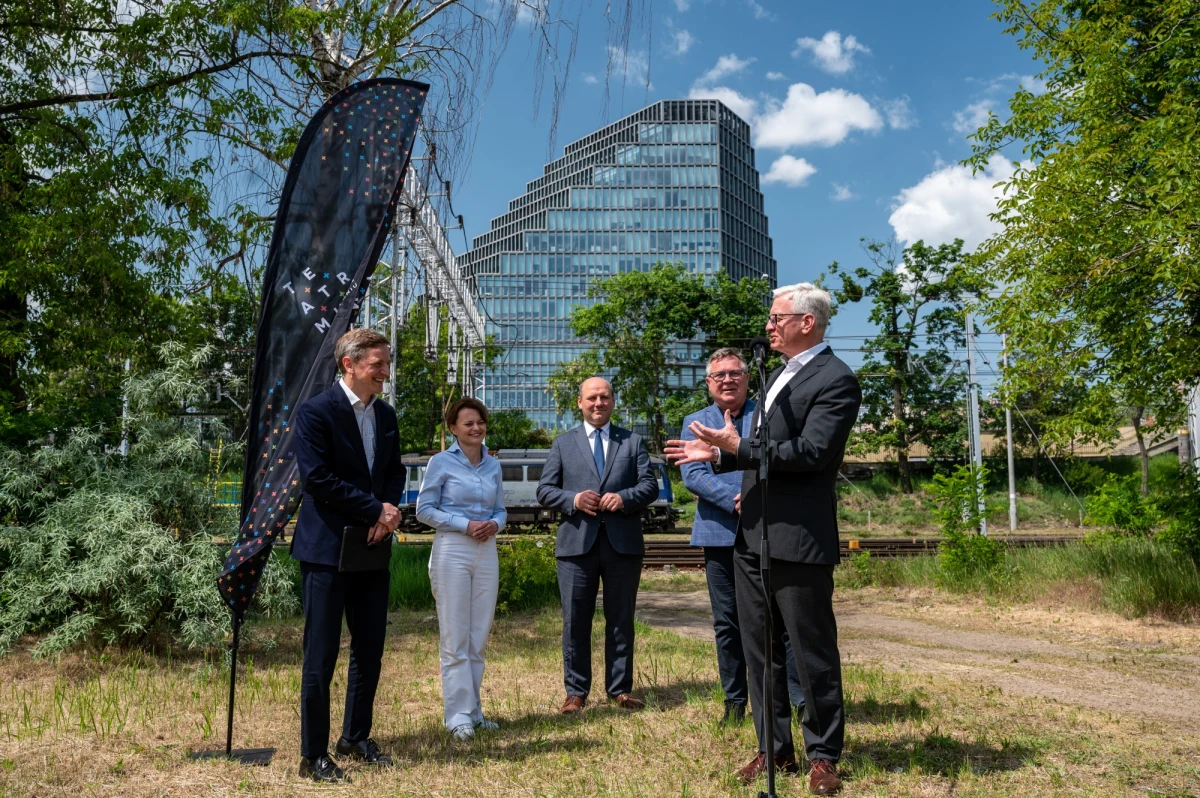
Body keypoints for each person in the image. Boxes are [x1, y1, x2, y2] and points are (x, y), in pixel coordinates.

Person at [666, 283, 861, 796]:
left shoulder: (836, 379)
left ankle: (822, 755)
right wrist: (721, 456)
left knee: (810, 650)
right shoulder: (778, 376)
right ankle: (773, 748)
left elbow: (813, 451)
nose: (769, 325)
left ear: (808, 322)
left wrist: (736, 447)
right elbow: (762, 452)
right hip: (751, 538)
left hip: (798, 536)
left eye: (778, 318)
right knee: (760, 651)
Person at [292, 328, 404, 783]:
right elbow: (316, 479)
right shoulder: (315, 412)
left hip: (373, 545)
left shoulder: (387, 415)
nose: (384, 372)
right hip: (325, 550)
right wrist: (374, 508)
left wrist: (388, 513)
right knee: (320, 655)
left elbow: (393, 471)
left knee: (370, 649)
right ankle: (312, 754)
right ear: (350, 364)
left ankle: (355, 736)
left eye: (385, 363)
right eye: (377, 364)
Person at [680, 347, 806, 727]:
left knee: (780, 620)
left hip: (769, 530)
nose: (727, 380)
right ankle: (735, 700)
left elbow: (781, 461)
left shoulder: (768, 414)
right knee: (728, 622)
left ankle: (796, 698)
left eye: (735, 373)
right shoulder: (695, 421)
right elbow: (693, 475)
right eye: (719, 375)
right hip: (719, 533)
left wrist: (752, 498)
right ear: (708, 383)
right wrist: (734, 501)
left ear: (748, 379)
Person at [536, 377, 659, 714]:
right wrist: (573, 498)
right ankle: (576, 692)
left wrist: (624, 497)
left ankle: (620, 689)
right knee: (575, 621)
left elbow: (649, 486)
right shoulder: (563, 444)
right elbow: (545, 491)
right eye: (592, 398)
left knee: (621, 619)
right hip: (576, 546)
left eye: (604, 397)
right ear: (580, 402)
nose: (598, 403)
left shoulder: (633, 442)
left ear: (613, 401)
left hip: (623, 545)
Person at [416, 398, 506, 741]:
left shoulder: (493, 466)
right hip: (452, 549)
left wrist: (495, 525)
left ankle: (474, 712)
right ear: (453, 429)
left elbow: (500, 510)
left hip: (487, 550)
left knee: (478, 637)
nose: (476, 428)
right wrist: (464, 524)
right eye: (468, 423)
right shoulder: (440, 462)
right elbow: (424, 510)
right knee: (455, 637)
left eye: (480, 422)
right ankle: (457, 717)